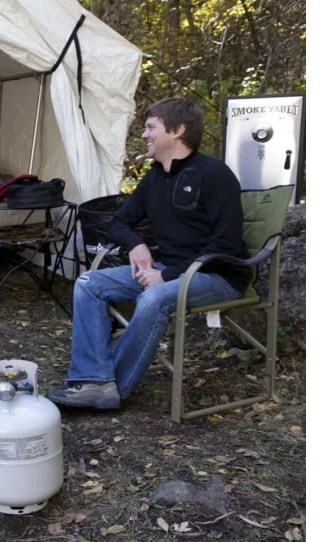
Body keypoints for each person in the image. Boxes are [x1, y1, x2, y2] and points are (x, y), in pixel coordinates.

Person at [46, 97, 251, 410]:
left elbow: (224, 245)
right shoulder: (155, 177)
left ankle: (109, 387)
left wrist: (166, 275)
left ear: (177, 130)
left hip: (217, 275)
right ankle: (92, 379)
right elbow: (118, 221)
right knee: (89, 283)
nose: (144, 135)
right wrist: (135, 243)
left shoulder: (215, 175)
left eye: (151, 127)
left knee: (154, 298)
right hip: (169, 268)